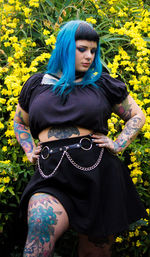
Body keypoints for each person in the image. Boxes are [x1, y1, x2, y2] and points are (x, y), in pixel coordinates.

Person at [14, 20, 147, 257]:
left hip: (98, 174)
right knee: (39, 234)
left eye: (93, 51)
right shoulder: (37, 84)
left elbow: (137, 115)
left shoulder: (102, 83)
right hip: (51, 175)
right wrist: (28, 148)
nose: (89, 56)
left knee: (95, 252)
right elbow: (19, 122)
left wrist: (118, 143)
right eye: (82, 49)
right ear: (65, 48)